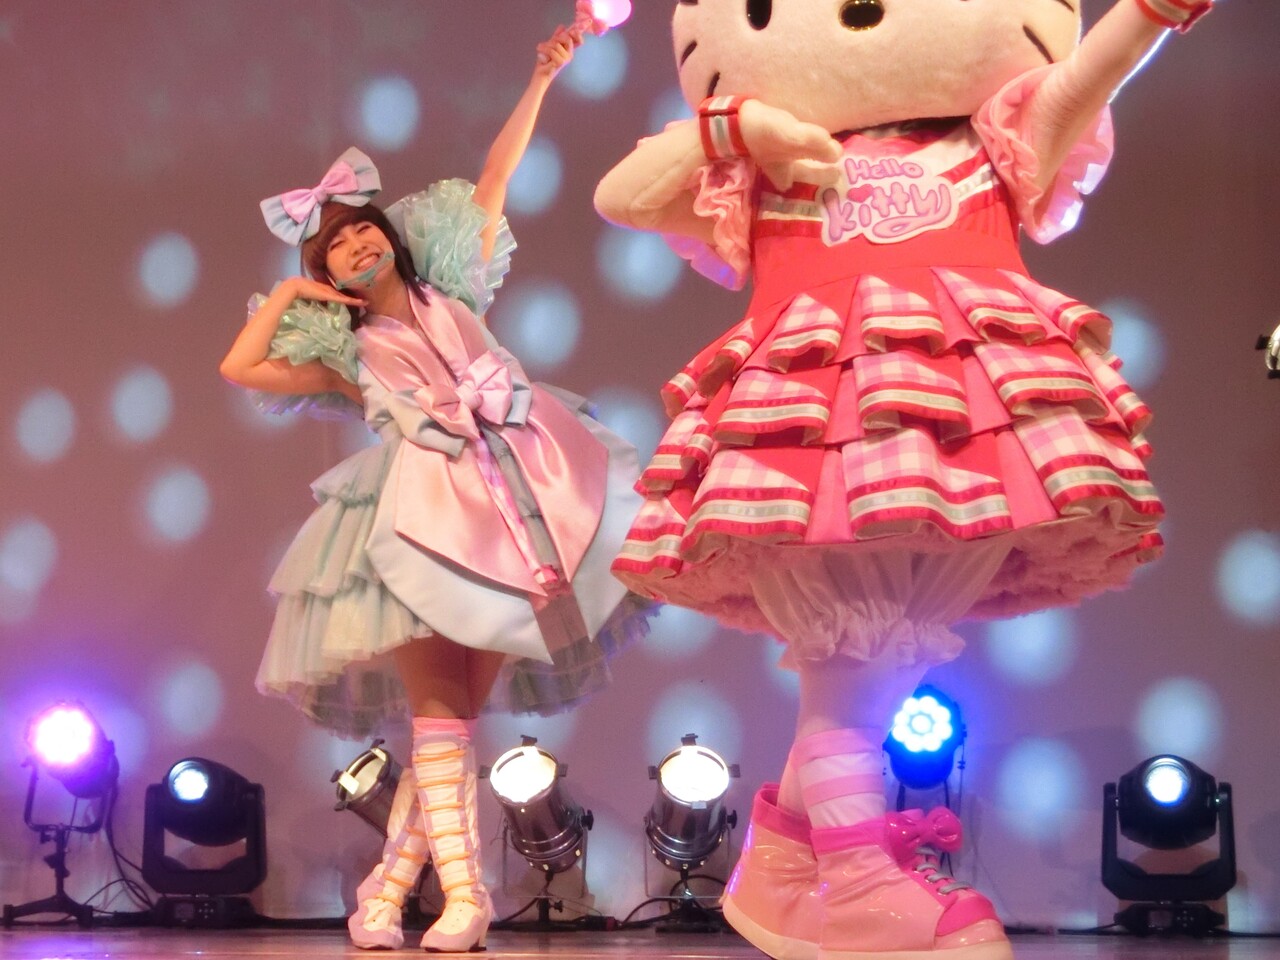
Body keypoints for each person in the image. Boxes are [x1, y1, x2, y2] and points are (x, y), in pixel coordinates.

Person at [594, 0, 1212, 957]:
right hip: (813, 421)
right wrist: (738, 129)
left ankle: (786, 863)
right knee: (854, 656)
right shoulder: (758, 168)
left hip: (957, 416)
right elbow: (622, 195)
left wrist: (1147, 14)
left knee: (876, 666)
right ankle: (853, 878)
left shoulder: (995, 138)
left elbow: (1083, 81)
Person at [220, 24, 644, 953]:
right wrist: (290, 299)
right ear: (324, 272)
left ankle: (383, 894)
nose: (357, 245)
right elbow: (239, 368)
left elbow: (495, 178)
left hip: (521, 500)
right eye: (335, 248)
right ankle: (467, 898)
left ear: (391, 237)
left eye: (364, 230)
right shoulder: (345, 351)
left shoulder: (453, 290)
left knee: (451, 722)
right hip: (421, 520)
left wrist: (541, 79)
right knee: (440, 717)